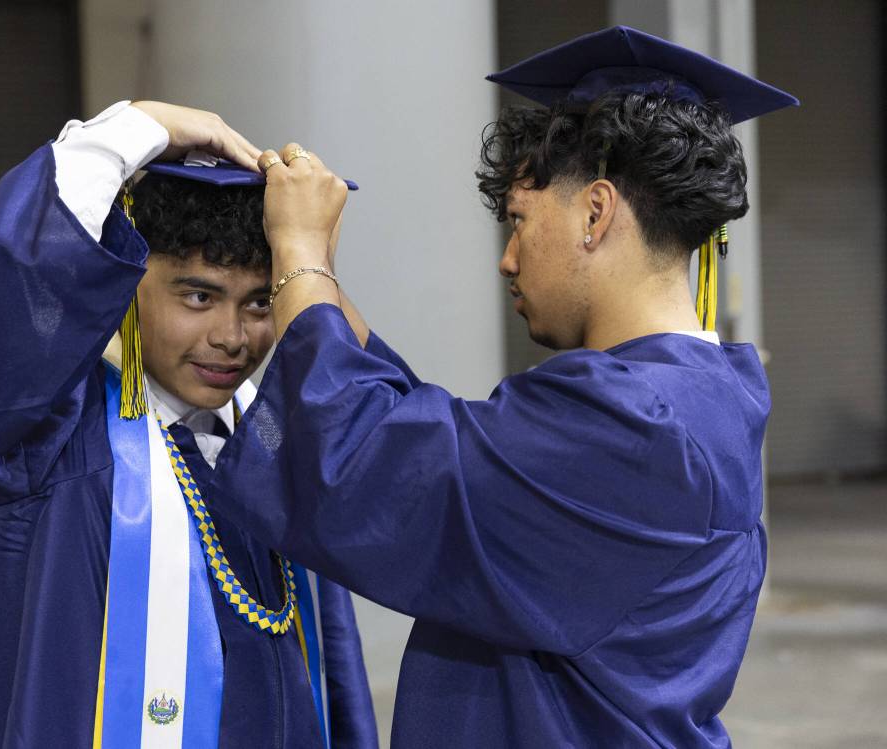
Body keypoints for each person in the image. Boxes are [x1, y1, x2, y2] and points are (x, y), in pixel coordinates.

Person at [201, 26, 798, 747]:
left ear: (596, 212)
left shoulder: (635, 420)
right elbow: (437, 445)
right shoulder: (709, 392)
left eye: (518, 221)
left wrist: (296, 248)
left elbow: (367, 464)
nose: (508, 259)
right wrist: (319, 276)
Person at [0, 100, 376, 749]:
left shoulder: (278, 446)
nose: (231, 338)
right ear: (131, 283)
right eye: (197, 296)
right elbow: (5, 262)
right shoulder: (57, 442)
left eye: (258, 303)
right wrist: (144, 122)